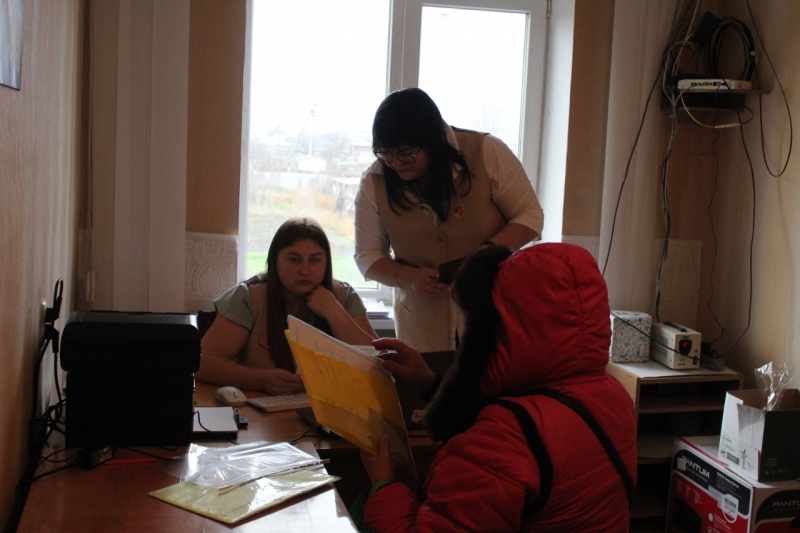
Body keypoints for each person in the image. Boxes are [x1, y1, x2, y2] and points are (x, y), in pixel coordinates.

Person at [360, 243, 638, 532]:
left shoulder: (500, 439)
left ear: (499, 327)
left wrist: (384, 485)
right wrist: (433, 384)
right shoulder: (614, 395)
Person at [354, 87, 544, 353]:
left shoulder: (486, 152)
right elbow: (367, 255)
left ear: (432, 141)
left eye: (406, 154)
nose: (395, 163)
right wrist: (409, 277)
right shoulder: (374, 181)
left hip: (493, 311)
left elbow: (530, 216)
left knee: (491, 376)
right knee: (426, 380)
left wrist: (484, 255)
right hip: (421, 324)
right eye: (386, 154)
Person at [196, 218, 377, 395]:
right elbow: (202, 363)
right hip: (260, 409)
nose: (305, 270)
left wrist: (334, 312)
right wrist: (261, 380)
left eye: (315, 260)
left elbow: (379, 365)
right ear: (275, 261)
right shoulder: (249, 297)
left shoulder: (344, 296)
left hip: (330, 407)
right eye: (294, 259)